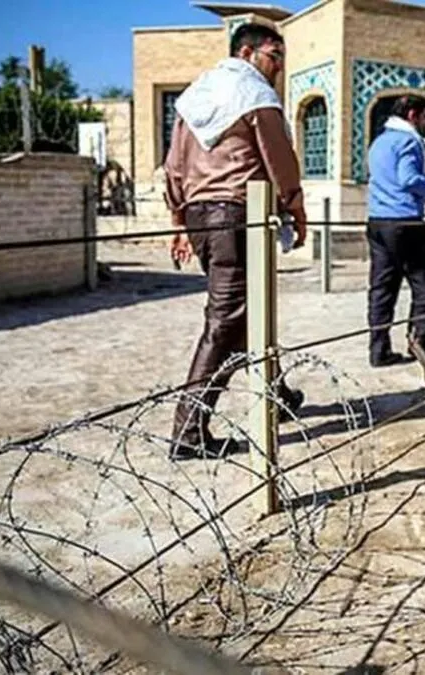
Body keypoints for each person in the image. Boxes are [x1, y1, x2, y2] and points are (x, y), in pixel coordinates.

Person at [163, 22, 308, 460]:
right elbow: (279, 158)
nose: (278, 67)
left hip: (201, 217)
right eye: (273, 56)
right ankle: (188, 430)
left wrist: (178, 219)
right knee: (228, 318)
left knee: (247, 311)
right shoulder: (253, 93)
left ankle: (276, 394)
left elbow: (174, 166)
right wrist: (296, 205)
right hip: (237, 215)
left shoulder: (195, 97)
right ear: (247, 53)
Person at [364, 95, 425, 367]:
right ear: (412, 115)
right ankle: (420, 344)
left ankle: (379, 350)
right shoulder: (408, 141)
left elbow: (391, 184)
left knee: (382, 288)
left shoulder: (380, 142)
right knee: (423, 284)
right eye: (424, 117)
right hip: (406, 225)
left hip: (378, 222)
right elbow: (408, 180)